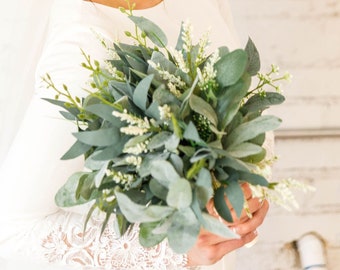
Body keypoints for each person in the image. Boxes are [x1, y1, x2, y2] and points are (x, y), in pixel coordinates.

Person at [0, 0, 269, 269]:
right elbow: (12, 233)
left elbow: (243, 116)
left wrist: (238, 195)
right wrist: (173, 250)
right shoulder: (85, 44)